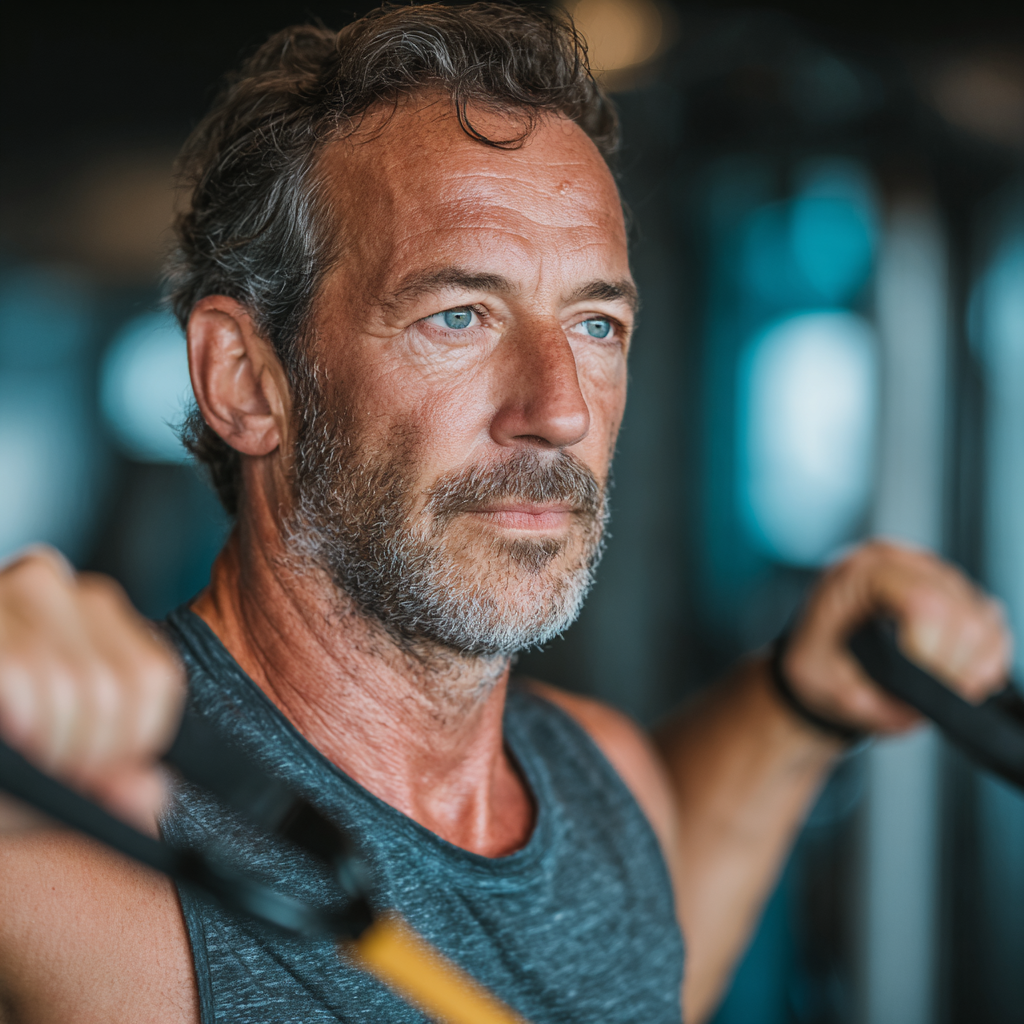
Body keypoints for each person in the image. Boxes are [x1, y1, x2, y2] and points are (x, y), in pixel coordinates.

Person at [0, 6, 1011, 1023]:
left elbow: (629, 973)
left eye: (595, 322)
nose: (560, 407)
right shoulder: (69, 863)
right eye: (459, 315)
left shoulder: (608, 788)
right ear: (247, 380)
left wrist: (796, 700)